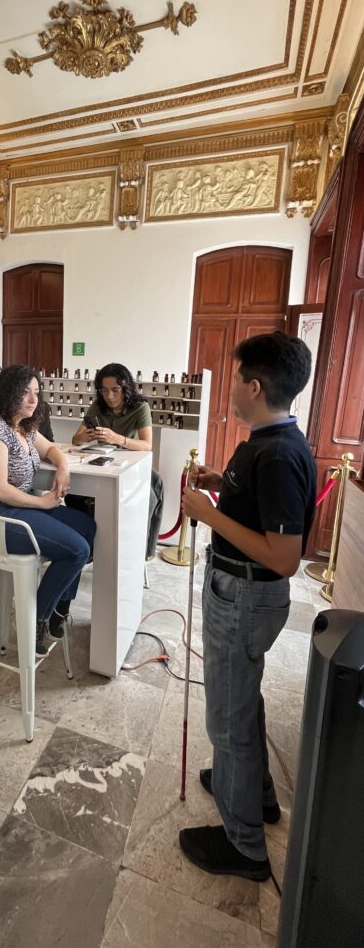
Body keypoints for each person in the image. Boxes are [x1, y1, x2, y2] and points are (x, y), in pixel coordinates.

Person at [179, 331, 316, 882]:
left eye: (236, 378)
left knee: (228, 720)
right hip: (236, 588)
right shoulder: (266, 438)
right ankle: (255, 794)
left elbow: (284, 557)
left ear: (254, 386)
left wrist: (208, 514)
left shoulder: (279, 453)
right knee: (241, 701)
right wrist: (220, 485)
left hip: (246, 593)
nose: (231, 386)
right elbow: (255, 505)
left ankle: (244, 848)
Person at [0, 365, 96, 657]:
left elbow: (53, 449)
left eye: (36, 392)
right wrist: (41, 502)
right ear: (8, 392)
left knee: (89, 528)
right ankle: (34, 619)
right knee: (77, 550)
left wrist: (62, 467)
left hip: (16, 505)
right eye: (25, 392)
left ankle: (60, 606)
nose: (33, 399)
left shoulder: (23, 427)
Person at [71, 362, 164, 559]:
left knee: (148, 495)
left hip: (131, 466)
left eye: (115, 390)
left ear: (126, 387)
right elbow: (75, 439)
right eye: (104, 391)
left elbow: (147, 445)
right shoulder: (97, 406)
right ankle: (89, 547)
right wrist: (85, 437)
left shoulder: (140, 407)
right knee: (73, 496)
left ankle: (140, 551)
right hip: (102, 465)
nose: (110, 396)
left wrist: (117, 439)